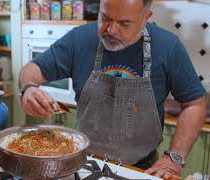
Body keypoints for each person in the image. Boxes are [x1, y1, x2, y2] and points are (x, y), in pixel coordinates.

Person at [19, 0, 206, 179]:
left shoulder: (168, 46)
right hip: (83, 163)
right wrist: (28, 88)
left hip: (141, 169)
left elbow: (194, 105)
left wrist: (174, 158)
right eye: (105, 18)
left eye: (124, 23)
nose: (111, 30)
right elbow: (32, 69)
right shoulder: (80, 38)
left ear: (145, 17)